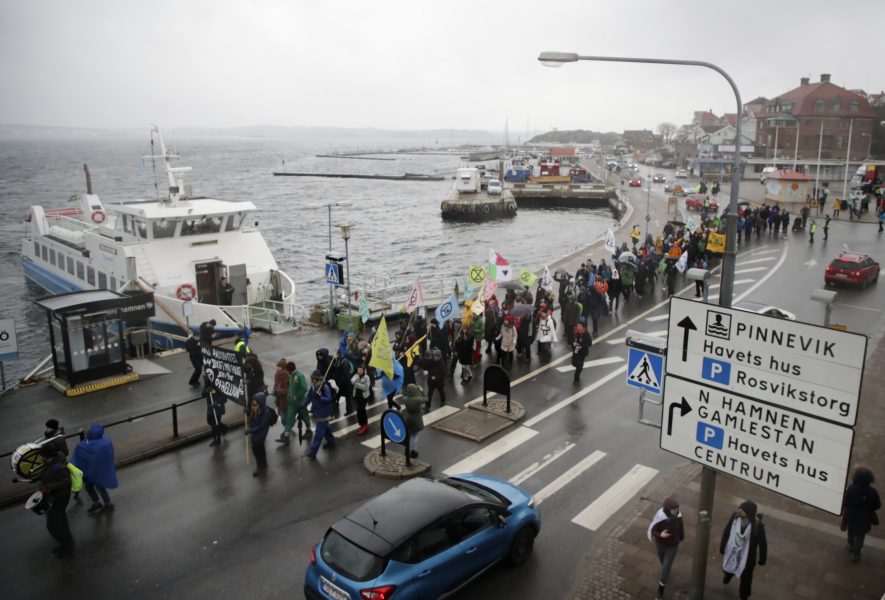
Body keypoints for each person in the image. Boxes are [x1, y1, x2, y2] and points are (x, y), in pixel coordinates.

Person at [720, 500, 767, 599]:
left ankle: (744, 595)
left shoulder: (758, 526)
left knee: (746, 579)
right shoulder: (735, 518)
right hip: (733, 552)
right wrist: (722, 546)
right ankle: (728, 574)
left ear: (749, 513)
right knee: (731, 565)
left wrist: (762, 558)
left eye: (743, 510)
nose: (739, 510)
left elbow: (763, 543)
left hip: (748, 558)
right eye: (740, 508)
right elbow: (727, 531)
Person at [71, 424, 118, 514]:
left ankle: (106, 503)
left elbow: (82, 453)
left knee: (97, 487)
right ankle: (98, 503)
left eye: (88, 433)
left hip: (94, 471)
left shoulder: (87, 444)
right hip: (94, 470)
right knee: (91, 487)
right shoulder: (105, 442)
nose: (87, 434)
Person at [36, 446, 74, 557]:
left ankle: (67, 545)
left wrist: (48, 487)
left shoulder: (60, 467)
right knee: (60, 518)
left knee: (52, 524)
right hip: (54, 496)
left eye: (41, 456)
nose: (40, 458)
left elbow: (66, 482)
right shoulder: (49, 463)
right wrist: (38, 478)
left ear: (46, 456)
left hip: (60, 497)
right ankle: (68, 539)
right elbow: (47, 472)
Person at [648, 497, 685, 599]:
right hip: (661, 544)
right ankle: (665, 573)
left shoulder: (679, 516)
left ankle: (660, 591)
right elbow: (653, 530)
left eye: (677, 508)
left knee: (665, 567)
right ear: (668, 509)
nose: (676, 511)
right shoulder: (661, 516)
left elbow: (681, 527)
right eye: (674, 509)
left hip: (673, 546)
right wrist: (660, 535)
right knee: (663, 562)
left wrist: (681, 537)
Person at [843, 467, 881, 562]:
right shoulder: (873, 492)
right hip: (864, 519)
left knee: (850, 532)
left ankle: (850, 545)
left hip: (851, 516)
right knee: (860, 537)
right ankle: (856, 554)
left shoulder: (851, 488)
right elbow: (877, 505)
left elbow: (845, 501)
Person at [303, 370, 336, 458]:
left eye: (313, 379)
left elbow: (329, 399)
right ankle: (331, 442)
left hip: (323, 413)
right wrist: (302, 405)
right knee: (326, 429)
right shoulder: (313, 387)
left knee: (319, 433)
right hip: (317, 412)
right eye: (311, 378)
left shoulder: (324, 387)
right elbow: (308, 397)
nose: (312, 380)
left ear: (316, 379)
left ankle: (312, 452)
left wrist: (320, 397)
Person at [280, 361, 311, 442]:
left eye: (287, 370)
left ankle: (308, 430)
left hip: (300, 402)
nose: (286, 371)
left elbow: (304, 388)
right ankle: (287, 435)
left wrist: (297, 396)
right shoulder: (291, 376)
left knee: (305, 416)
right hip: (292, 403)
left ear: (290, 369)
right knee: (289, 418)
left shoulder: (299, 375)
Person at [246, 392, 272, 476]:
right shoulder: (257, 410)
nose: (252, 407)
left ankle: (259, 466)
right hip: (256, 433)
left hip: (261, 433)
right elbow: (251, 419)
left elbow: (261, 426)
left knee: (256, 449)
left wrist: (251, 431)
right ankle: (263, 464)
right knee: (260, 448)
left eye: (254, 405)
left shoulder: (265, 413)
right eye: (252, 405)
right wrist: (247, 411)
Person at [400, 383, 426, 459]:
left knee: (409, 435)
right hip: (417, 419)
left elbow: (405, 395)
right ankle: (413, 451)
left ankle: (406, 449)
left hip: (408, 418)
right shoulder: (417, 400)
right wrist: (421, 391)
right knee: (415, 436)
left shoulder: (405, 399)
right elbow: (425, 398)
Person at [351, 365, 372, 435]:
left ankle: (364, 425)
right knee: (359, 411)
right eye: (358, 370)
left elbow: (366, 387)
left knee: (361, 410)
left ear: (363, 370)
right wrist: (356, 379)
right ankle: (362, 424)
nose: (359, 371)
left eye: (360, 370)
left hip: (364, 397)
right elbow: (352, 381)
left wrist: (357, 385)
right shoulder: (356, 376)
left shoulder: (366, 377)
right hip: (357, 396)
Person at [571, 319, 592, 385]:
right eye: (578, 326)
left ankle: (576, 379)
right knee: (574, 363)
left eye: (580, 326)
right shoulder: (576, 333)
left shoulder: (586, 334)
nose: (579, 327)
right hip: (576, 350)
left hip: (582, 352)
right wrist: (573, 344)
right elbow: (572, 339)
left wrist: (582, 346)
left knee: (579, 365)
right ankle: (579, 366)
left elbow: (590, 343)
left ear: (583, 327)